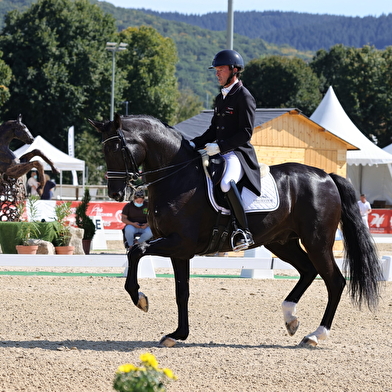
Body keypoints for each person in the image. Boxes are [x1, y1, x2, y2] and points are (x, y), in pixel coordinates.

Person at [189, 49, 261, 251]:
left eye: (221, 69)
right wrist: (193, 144)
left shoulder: (244, 97)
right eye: (216, 70)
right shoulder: (221, 98)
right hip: (218, 151)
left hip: (238, 153)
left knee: (226, 184)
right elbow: (213, 129)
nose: (217, 73)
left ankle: (243, 231)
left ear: (234, 70)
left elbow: (246, 133)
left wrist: (220, 146)